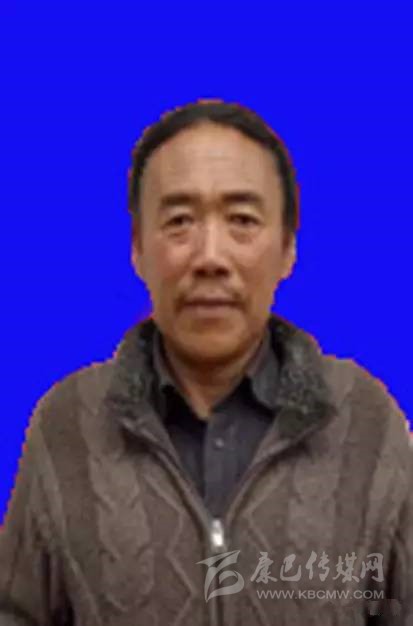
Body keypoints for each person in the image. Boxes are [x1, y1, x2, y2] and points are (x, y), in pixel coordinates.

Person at [0, 99, 412, 626]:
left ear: (288, 247)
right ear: (138, 248)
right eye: (179, 221)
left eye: (242, 220)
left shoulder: (364, 422)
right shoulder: (68, 425)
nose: (210, 257)